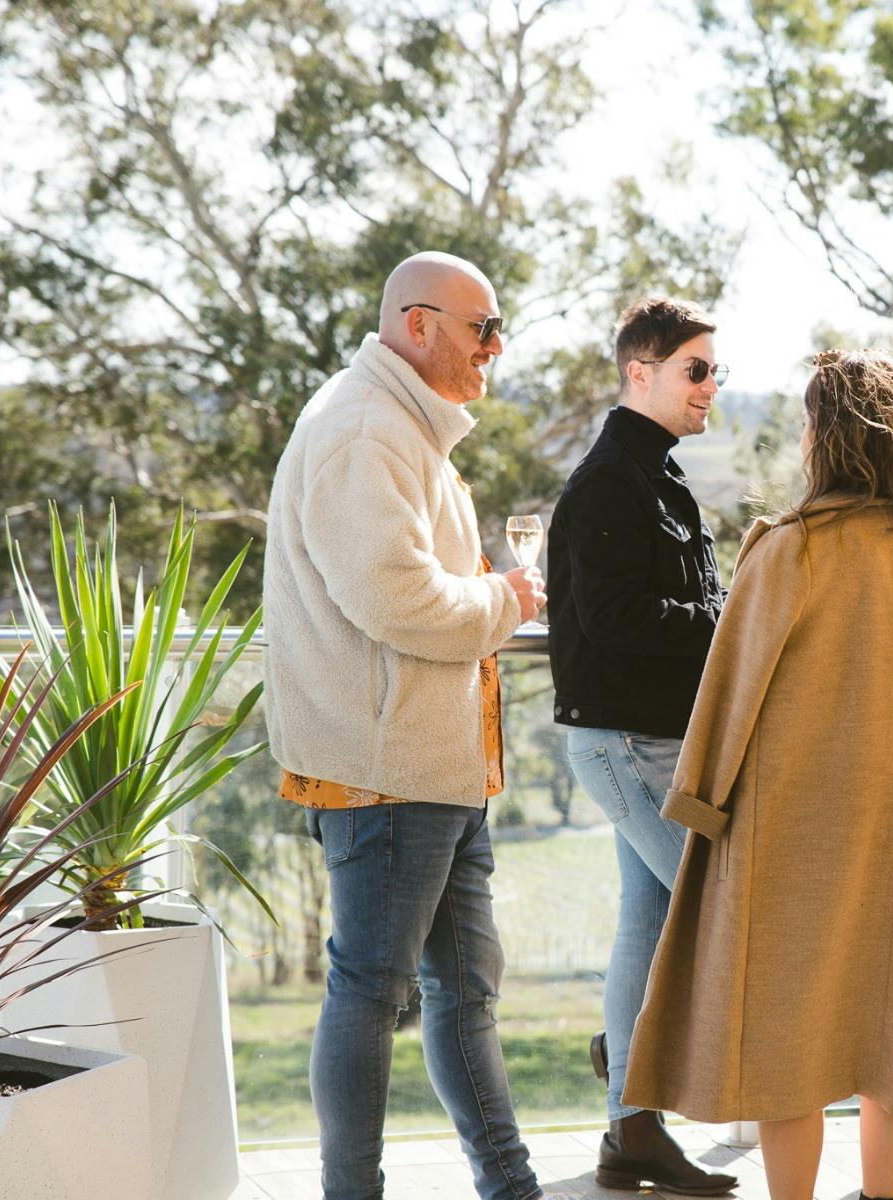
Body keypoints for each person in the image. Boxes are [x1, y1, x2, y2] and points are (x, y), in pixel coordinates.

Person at [622, 349, 893, 1200]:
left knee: (786, 1056)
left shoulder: (790, 550)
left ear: (822, 437)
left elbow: (728, 694)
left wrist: (701, 801)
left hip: (797, 844)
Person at [263, 251, 549, 1200]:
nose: (496, 346)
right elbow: (399, 599)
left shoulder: (394, 423)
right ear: (417, 325)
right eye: (483, 327)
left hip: (434, 767)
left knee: (463, 993)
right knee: (371, 992)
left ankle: (510, 1187)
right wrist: (506, 600)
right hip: (387, 774)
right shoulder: (363, 430)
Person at [547, 297, 736, 1195]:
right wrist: (730, 619)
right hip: (626, 744)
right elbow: (614, 618)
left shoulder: (659, 476)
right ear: (641, 371)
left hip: (657, 742)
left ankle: (630, 1124)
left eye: (715, 372)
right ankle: (629, 1076)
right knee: (721, 911)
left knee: (650, 925)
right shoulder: (609, 485)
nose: (710, 387)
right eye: (696, 370)